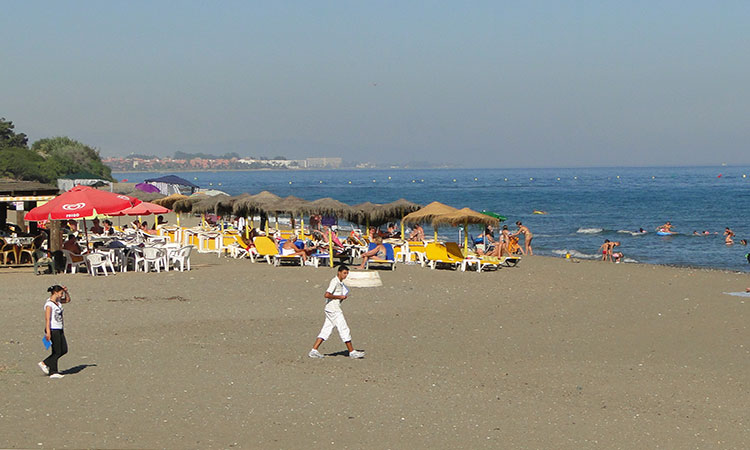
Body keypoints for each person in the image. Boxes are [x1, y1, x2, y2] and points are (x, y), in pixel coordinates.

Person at [308, 265, 365, 359]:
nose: (345, 275)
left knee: (326, 329)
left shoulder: (340, 283)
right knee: (344, 328)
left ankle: (314, 350)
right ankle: (352, 352)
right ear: (339, 272)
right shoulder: (334, 282)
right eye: (344, 273)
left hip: (331, 308)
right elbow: (327, 295)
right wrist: (340, 297)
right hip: (334, 309)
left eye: (347, 273)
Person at [38, 285, 71, 378]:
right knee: (57, 351)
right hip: (53, 329)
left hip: (60, 328)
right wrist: (48, 332)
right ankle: (51, 369)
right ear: (55, 293)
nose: (61, 295)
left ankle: (49, 366)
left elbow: (68, 300)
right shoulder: (49, 304)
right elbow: (47, 319)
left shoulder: (58, 302)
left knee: (64, 350)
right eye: (60, 293)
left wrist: (66, 292)